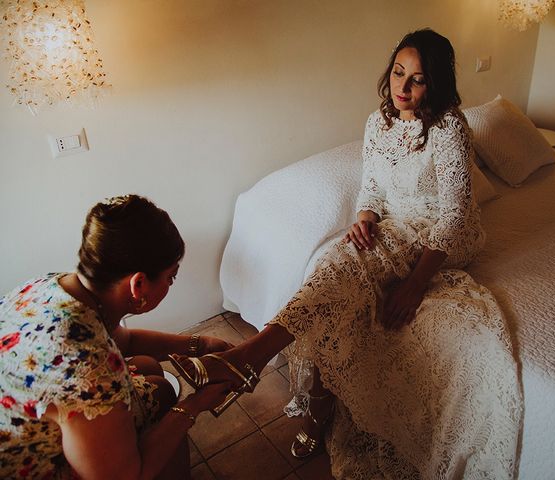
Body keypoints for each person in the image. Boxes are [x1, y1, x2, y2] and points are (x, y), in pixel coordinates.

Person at [171, 28, 521, 479]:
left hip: (442, 232)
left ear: (435, 83)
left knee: (344, 272)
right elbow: (372, 186)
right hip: (395, 225)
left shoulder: (450, 127)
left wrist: (416, 285)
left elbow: (454, 216)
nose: (403, 87)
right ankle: (279, 382)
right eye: (398, 73)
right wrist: (365, 216)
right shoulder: (378, 123)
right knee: (333, 274)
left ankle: (246, 361)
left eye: (418, 79)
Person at [0, 194, 234, 479]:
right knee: (163, 396)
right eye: (170, 277)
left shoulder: (53, 286)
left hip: (20, 421)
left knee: (147, 367)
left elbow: (126, 341)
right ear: (139, 284)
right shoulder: (90, 366)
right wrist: (195, 404)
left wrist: (199, 344)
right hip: (24, 465)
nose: (171, 283)